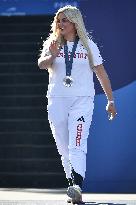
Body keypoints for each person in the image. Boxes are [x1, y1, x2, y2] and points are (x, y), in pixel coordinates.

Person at [38, 5, 117, 204]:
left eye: (65, 20)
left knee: (77, 144)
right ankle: (72, 185)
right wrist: (53, 54)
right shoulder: (53, 43)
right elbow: (41, 64)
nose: (60, 23)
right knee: (64, 148)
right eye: (59, 20)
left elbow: (102, 74)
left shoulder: (88, 45)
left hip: (82, 101)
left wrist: (110, 100)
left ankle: (77, 187)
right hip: (57, 101)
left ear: (75, 23)